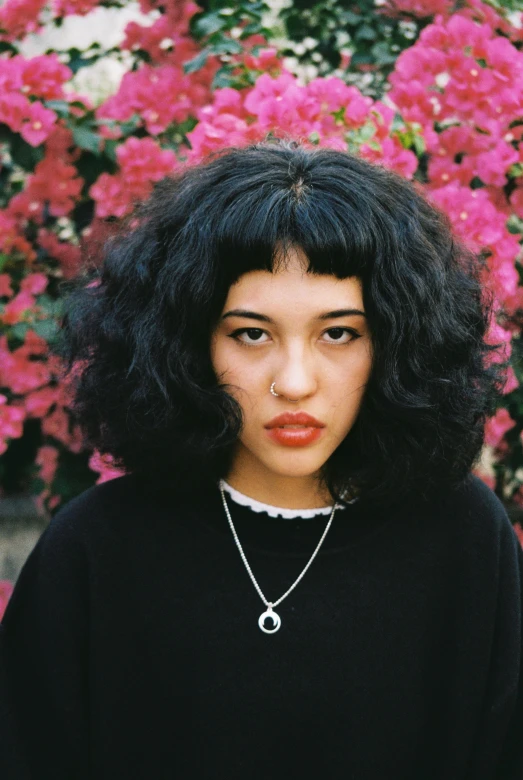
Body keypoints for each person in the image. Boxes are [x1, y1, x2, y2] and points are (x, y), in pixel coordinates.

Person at [1, 138, 522, 779]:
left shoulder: (464, 537)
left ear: (395, 343)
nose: (295, 382)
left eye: (339, 333)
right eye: (251, 333)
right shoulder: (95, 546)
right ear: (187, 344)